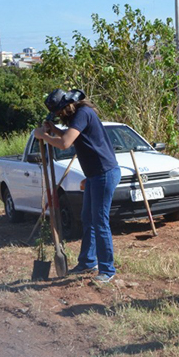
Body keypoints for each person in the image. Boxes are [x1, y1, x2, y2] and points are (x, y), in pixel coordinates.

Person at [35, 88, 121, 284]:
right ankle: (88, 261)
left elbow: (65, 143)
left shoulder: (83, 113)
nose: (59, 116)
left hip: (104, 173)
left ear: (66, 106)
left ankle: (107, 270)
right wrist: (53, 130)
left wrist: (43, 136)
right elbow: (70, 136)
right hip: (94, 174)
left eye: (58, 113)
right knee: (88, 218)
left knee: (99, 221)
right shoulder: (79, 116)